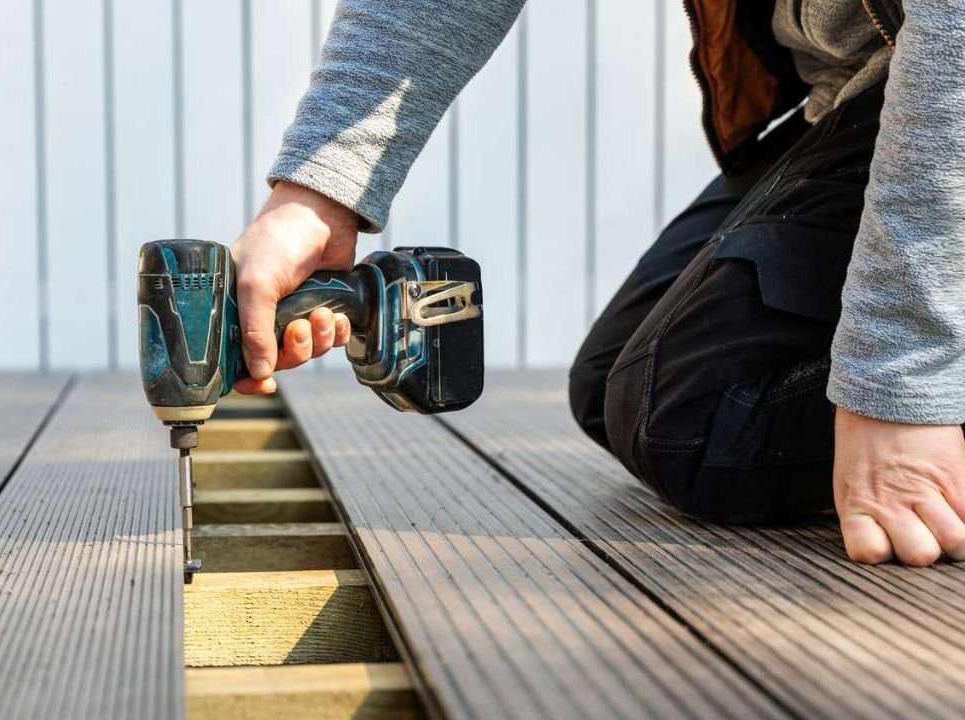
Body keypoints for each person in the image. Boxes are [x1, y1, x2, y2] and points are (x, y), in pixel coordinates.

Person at [228, 1, 965, 566]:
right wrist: (316, 198)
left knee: (705, 425)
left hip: (943, 83)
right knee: (616, 386)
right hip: (866, 93)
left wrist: (902, 385)